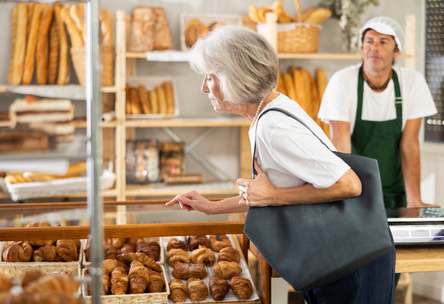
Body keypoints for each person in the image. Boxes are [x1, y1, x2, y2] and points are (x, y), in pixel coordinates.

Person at [166, 25, 396, 303]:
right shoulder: (270, 110)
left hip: (353, 261)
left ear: (234, 78)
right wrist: (212, 207)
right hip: (336, 256)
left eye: (210, 77)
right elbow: (268, 194)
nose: (204, 87)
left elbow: (349, 184)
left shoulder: (272, 127)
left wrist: (273, 195)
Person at [318, 16, 437, 209]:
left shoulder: (412, 82)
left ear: (396, 51)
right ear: (362, 47)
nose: (374, 48)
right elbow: (340, 144)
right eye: (369, 41)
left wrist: (415, 202)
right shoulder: (342, 81)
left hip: (397, 192)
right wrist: (340, 198)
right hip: (355, 192)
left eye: (383, 42)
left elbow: (409, 145)